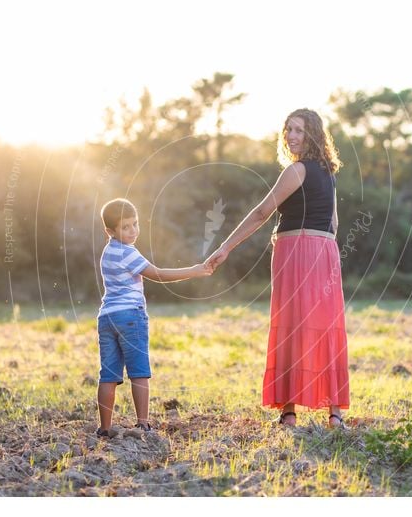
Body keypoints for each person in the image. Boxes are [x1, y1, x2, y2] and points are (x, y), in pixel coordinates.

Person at [206, 108, 350, 428]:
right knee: (325, 326)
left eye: (299, 130)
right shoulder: (329, 174)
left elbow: (261, 213)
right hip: (325, 251)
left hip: (297, 251)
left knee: (292, 326)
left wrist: (225, 247)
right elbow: (335, 223)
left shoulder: (296, 170)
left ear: (313, 135)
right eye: (288, 129)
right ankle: (335, 413)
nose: (292, 136)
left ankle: (288, 412)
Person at [96, 198, 212, 437]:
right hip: (130, 317)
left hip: (106, 318)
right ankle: (143, 424)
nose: (133, 231)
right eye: (125, 227)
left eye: (135, 224)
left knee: (108, 375)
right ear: (110, 230)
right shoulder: (127, 253)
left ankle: (104, 429)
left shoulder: (107, 253)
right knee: (139, 372)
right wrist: (195, 271)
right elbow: (157, 274)